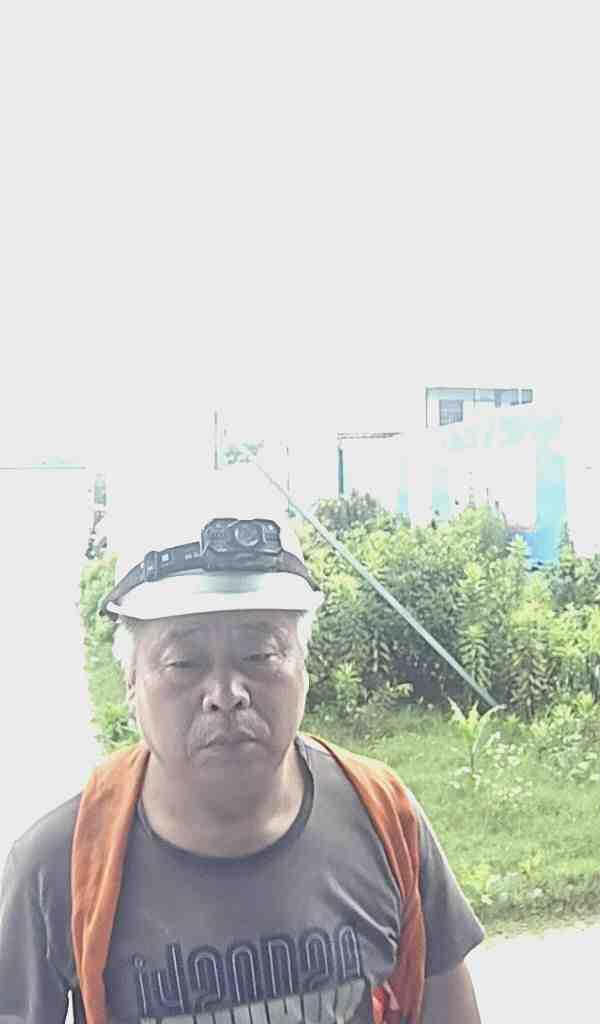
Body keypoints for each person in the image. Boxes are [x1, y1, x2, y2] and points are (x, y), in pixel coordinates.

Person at [0, 510, 484, 1024]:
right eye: (184, 662)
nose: (226, 694)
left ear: (303, 666)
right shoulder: (58, 865)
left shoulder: (384, 818)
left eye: (259, 654)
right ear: (131, 681)